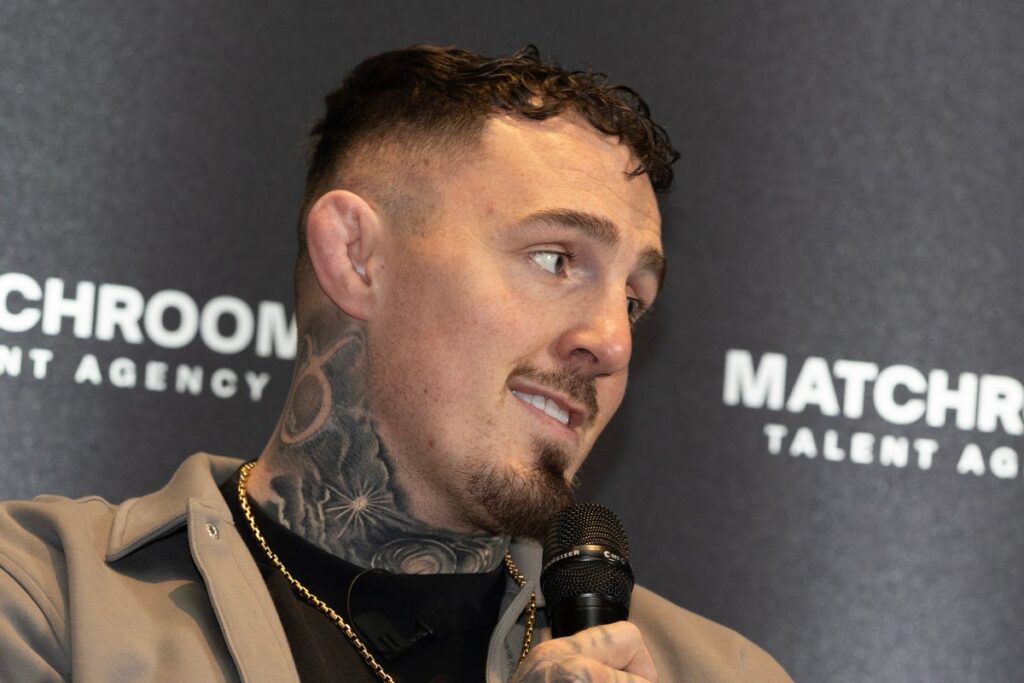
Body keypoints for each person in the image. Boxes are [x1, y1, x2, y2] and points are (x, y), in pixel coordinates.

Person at [0, 45, 792, 682]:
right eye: (555, 259)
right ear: (356, 256)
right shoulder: (49, 602)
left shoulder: (718, 673)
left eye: (634, 300)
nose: (613, 343)